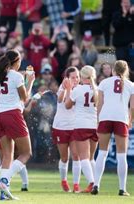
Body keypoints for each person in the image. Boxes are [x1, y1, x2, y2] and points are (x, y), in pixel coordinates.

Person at [0, 50, 35, 200]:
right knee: (26, 153)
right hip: (13, 115)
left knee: (7, 156)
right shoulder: (16, 76)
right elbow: (24, 98)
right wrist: (31, 82)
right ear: (16, 61)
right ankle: (4, 180)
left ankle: (4, 193)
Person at [92, 60, 133, 196]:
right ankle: (122, 189)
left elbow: (100, 103)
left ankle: (96, 185)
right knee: (122, 156)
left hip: (106, 117)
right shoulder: (131, 85)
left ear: (113, 70)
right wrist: (130, 121)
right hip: (121, 118)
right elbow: (132, 107)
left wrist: (98, 119)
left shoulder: (104, 82)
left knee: (102, 153)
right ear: (126, 71)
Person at [65, 65, 98, 193]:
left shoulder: (78, 89)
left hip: (81, 125)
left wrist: (68, 90)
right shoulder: (98, 89)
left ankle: (92, 183)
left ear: (82, 77)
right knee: (91, 158)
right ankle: (97, 183)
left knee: (84, 157)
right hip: (95, 125)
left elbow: (67, 105)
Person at [52, 67, 81, 192]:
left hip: (75, 126)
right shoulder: (62, 88)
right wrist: (66, 88)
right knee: (64, 157)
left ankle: (76, 185)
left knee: (76, 156)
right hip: (61, 126)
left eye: (77, 77)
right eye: (73, 77)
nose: (76, 80)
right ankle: (64, 180)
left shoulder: (80, 89)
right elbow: (62, 101)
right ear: (67, 78)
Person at [112, 0, 134, 69]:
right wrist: (124, 15)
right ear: (121, 4)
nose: (126, 4)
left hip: (132, 46)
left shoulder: (133, 14)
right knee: (121, 68)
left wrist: (131, 14)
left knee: (132, 67)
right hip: (120, 46)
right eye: (124, 2)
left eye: (127, 3)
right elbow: (116, 25)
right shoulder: (117, 14)